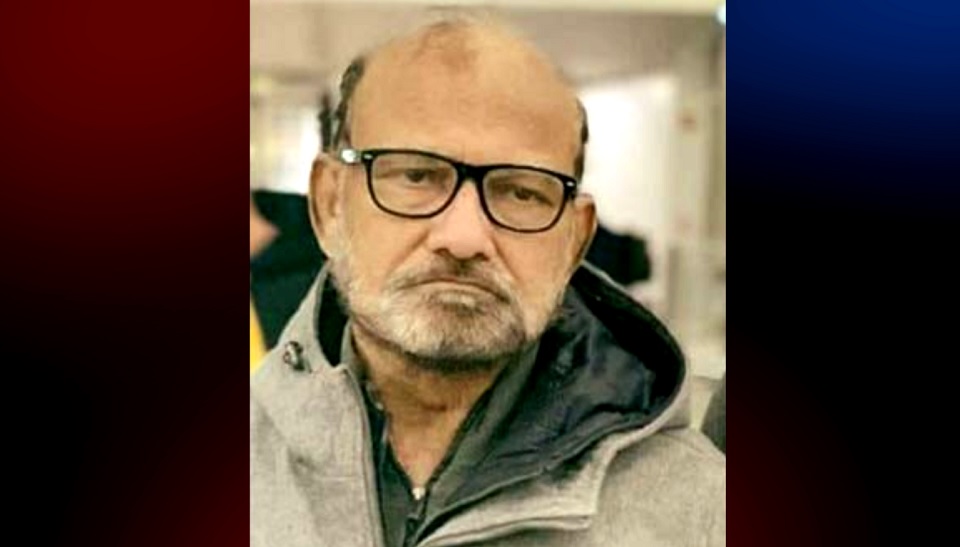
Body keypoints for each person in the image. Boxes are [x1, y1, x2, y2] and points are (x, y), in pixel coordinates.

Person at [251, 19, 725, 547]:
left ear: (574, 241)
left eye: (521, 192)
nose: (463, 238)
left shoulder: (700, 512)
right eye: (416, 176)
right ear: (330, 205)